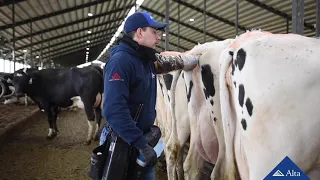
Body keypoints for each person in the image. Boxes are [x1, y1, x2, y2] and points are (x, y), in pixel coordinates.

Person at [101, 11, 199, 179]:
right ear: (140, 32)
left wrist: (195, 59)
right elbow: (113, 110)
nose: (159, 37)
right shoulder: (121, 61)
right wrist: (141, 144)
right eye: (154, 32)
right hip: (124, 142)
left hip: (141, 140)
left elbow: (166, 63)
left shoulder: (145, 59)